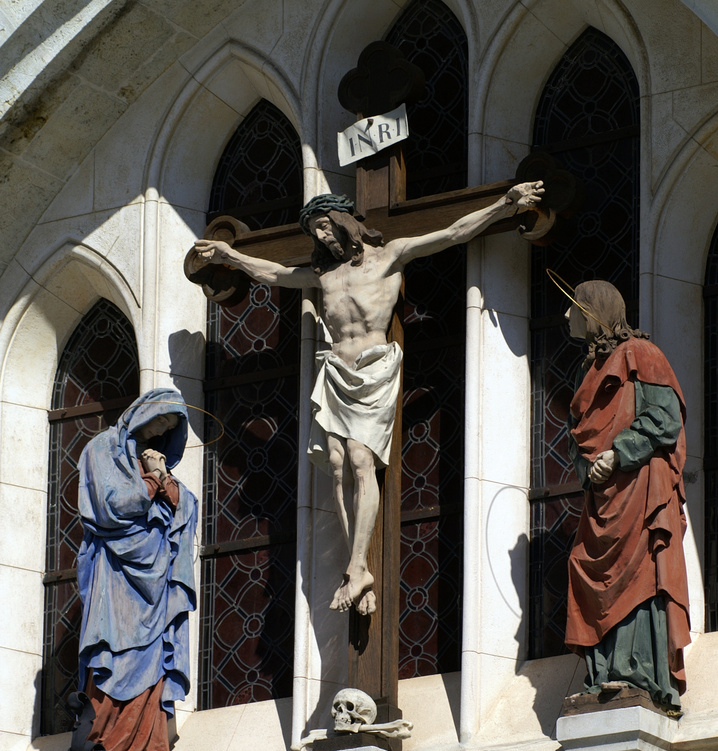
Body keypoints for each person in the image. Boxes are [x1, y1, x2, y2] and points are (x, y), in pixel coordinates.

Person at [193, 182, 544, 615]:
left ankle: (359, 566)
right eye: (314, 232)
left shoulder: (389, 255)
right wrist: (231, 257)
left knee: (362, 462)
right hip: (335, 370)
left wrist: (504, 204)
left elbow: (453, 232)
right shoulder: (324, 276)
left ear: (342, 222)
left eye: (324, 226)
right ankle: (356, 566)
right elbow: (275, 274)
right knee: (336, 468)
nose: (320, 237)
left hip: (373, 369)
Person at [564, 280, 690, 715]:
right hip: (602, 498)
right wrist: (592, 467)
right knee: (586, 566)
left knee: (638, 574)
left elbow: (666, 418)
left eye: (573, 308)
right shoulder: (589, 372)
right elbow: (580, 444)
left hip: (638, 488)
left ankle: (639, 673)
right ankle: (604, 673)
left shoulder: (642, 354)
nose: (565, 316)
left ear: (593, 311)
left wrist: (620, 452)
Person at [77, 388, 198, 751]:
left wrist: (167, 486)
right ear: (141, 414)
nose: (158, 433)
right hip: (114, 580)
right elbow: (112, 507)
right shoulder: (102, 451)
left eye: (167, 429)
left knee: (151, 672)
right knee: (111, 659)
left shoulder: (160, 470)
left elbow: (185, 508)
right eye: (158, 421)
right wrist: (152, 481)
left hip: (156, 588)